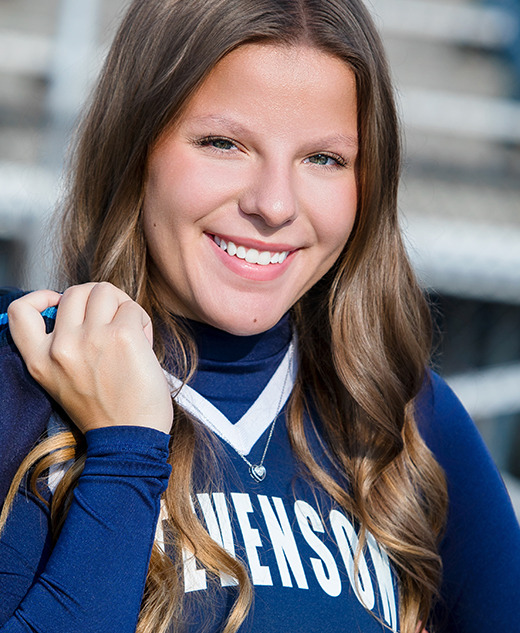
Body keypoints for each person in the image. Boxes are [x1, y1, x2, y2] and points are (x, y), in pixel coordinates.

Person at [0, 0, 519, 632]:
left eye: (324, 159)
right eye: (224, 144)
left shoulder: (406, 421)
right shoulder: (22, 377)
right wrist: (125, 454)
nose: (274, 204)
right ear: (135, 147)